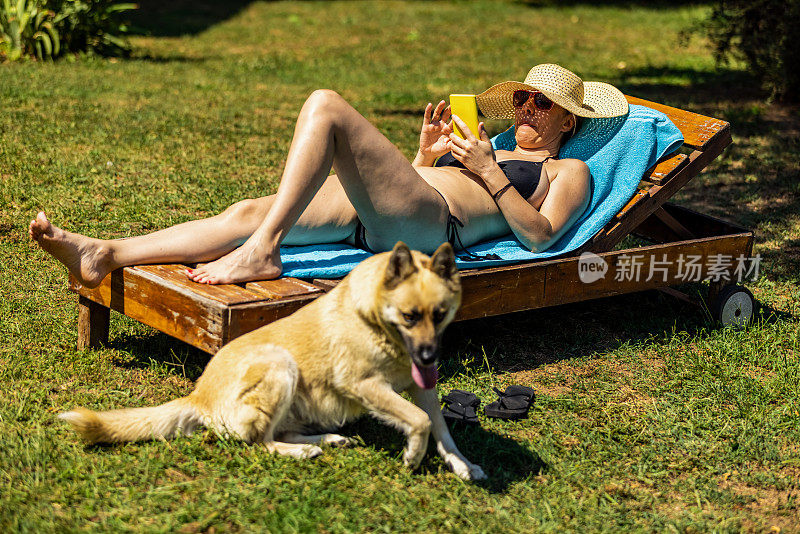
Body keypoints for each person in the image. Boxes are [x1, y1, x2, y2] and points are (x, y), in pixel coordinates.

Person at [29, 64, 628, 286]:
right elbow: (422, 183)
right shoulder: (485, 145)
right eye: (524, 97)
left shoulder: (565, 168)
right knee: (244, 212)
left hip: (434, 230)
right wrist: (425, 156)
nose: (527, 108)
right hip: (393, 215)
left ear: (569, 121)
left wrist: (491, 173)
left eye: (542, 104)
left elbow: (543, 236)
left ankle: (262, 252)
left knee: (326, 105)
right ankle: (105, 252)